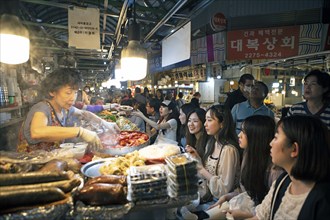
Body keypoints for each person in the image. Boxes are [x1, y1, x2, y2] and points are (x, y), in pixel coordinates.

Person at [17, 68, 119, 153]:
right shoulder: (42, 108)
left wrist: (105, 123)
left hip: (52, 162)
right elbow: (37, 132)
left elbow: (84, 113)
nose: (73, 98)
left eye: (75, 92)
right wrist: (81, 132)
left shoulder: (64, 109)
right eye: (68, 93)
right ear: (52, 91)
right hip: (32, 168)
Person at [250, 115, 330, 220]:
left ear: (294, 149)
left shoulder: (323, 201)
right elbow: (260, 217)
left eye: (276, 137)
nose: (270, 143)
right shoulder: (282, 181)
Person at [206, 115, 282, 219]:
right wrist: (227, 196)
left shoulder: (274, 171)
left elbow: (273, 210)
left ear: (256, 136)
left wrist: (247, 215)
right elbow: (248, 190)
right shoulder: (248, 156)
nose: (239, 135)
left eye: (244, 132)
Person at [186, 105, 240, 204]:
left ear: (222, 124)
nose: (205, 124)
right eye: (205, 120)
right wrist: (197, 157)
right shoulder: (212, 143)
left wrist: (201, 169)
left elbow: (224, 189)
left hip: (224, 202)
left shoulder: (228, 150)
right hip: (209, 197)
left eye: (209, 120)